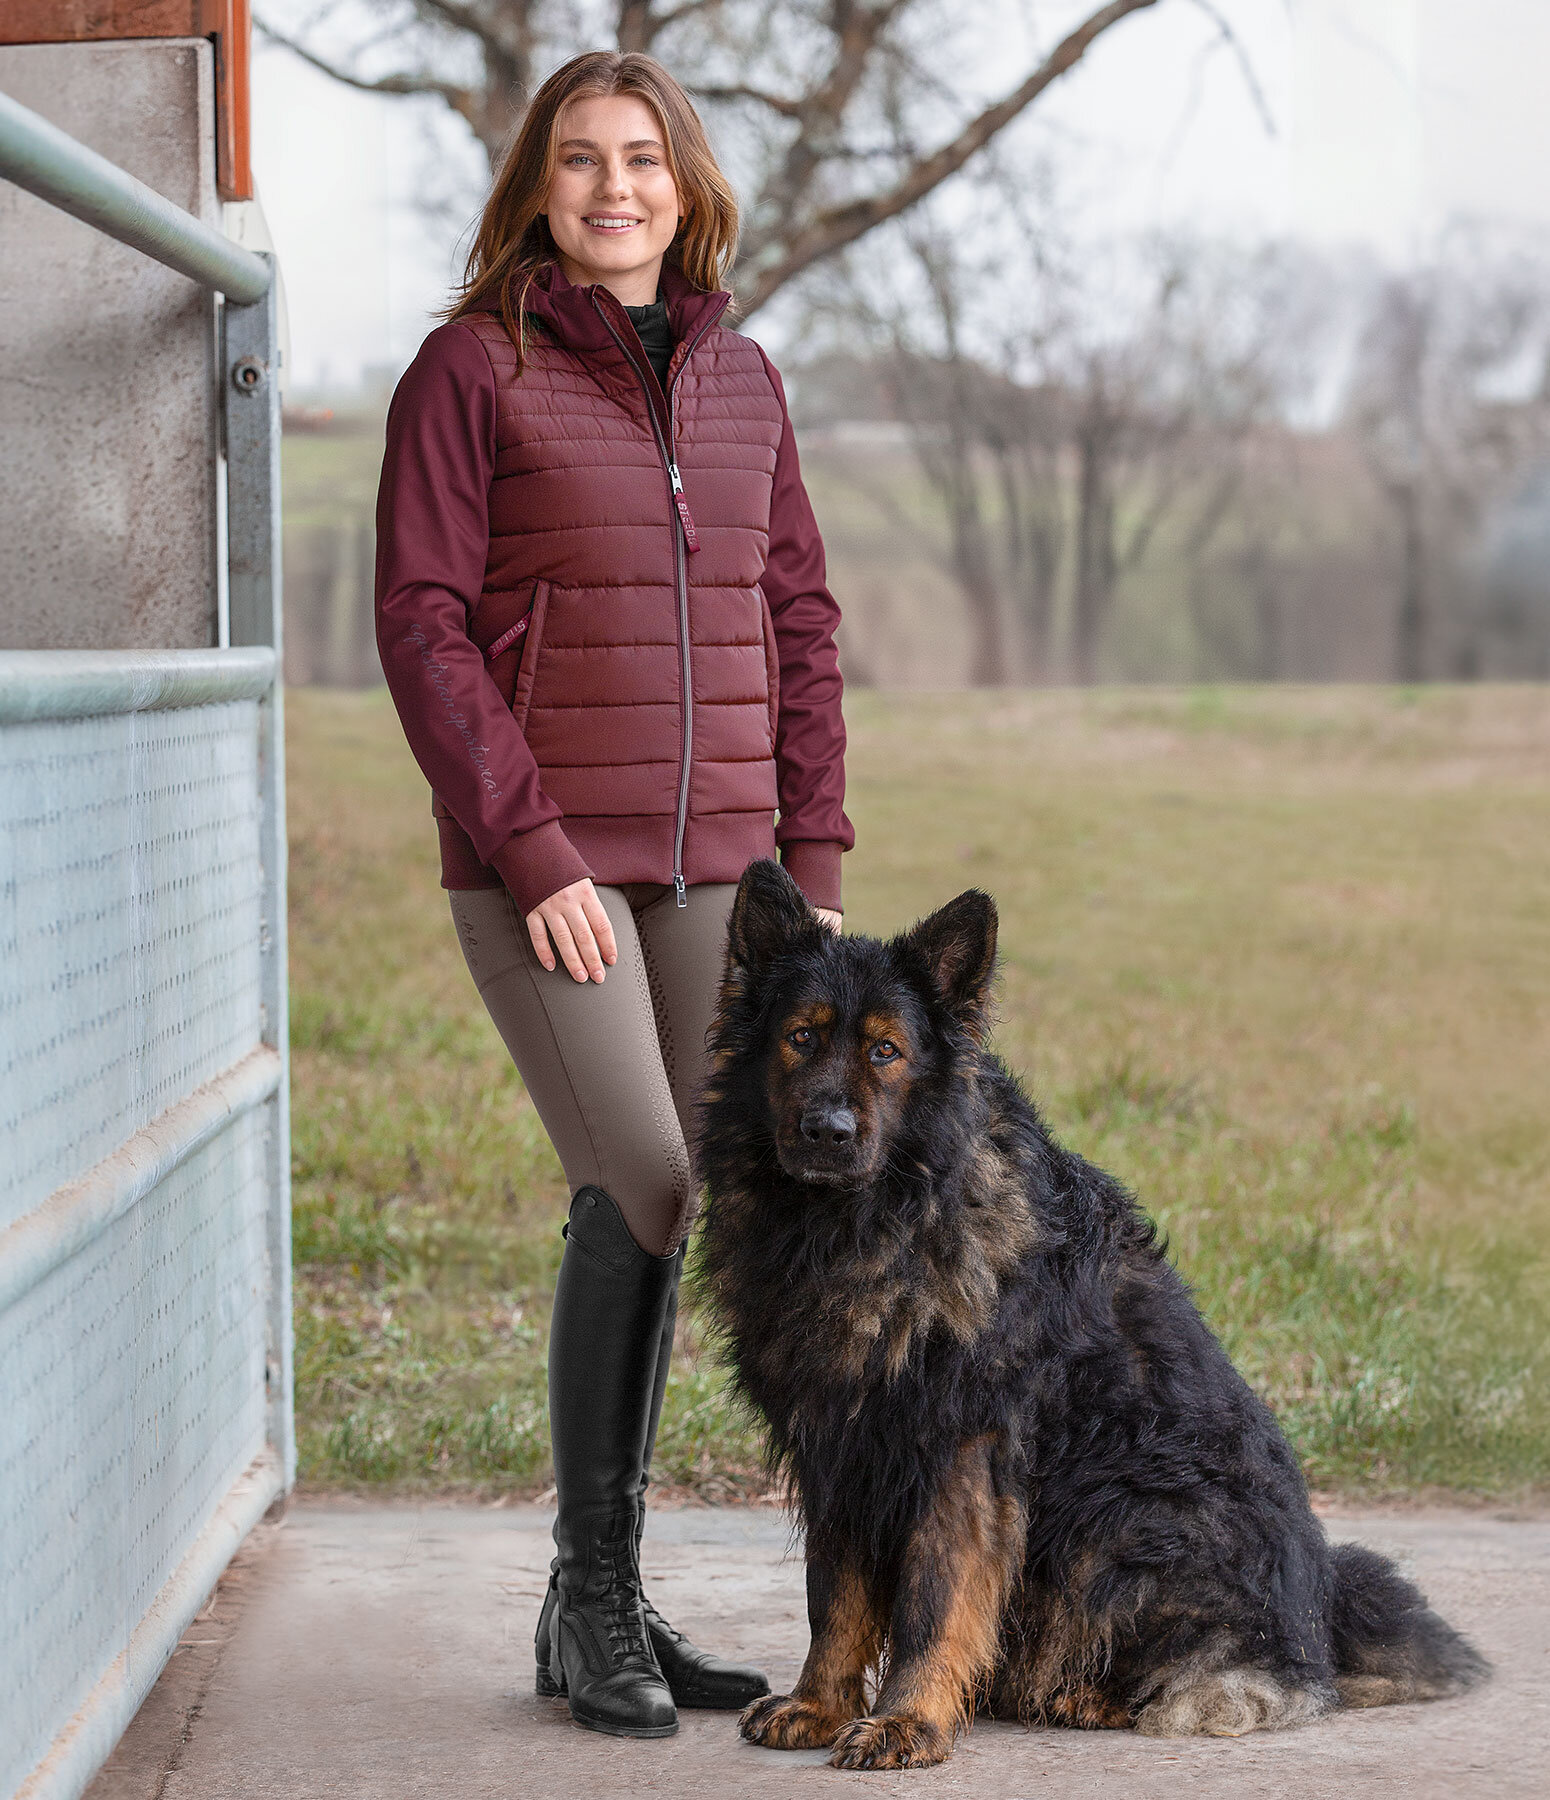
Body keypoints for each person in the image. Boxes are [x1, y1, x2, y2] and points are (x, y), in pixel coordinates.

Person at [374, 49, 853, 1741]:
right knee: (646, 1179)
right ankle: (587, 1601)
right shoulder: (468, 369)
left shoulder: (743, 381)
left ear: (685, 183)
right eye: (578, 160)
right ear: (537, 185)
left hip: (723, 871)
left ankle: (609, 1600)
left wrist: (816, 872)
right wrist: (536, 852)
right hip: (543, 867)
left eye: (641, 159)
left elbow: (797, 622)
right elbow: (422, 627)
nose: (613, 189)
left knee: (683, 1195)